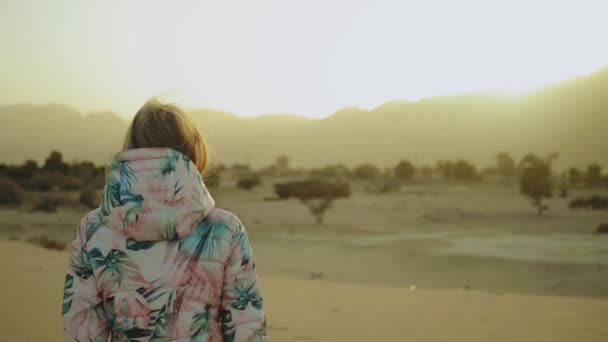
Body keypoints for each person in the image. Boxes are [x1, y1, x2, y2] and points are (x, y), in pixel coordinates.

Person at [61, 99, 267, 341]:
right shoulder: (225, 229)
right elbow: (247, 327)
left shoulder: (93, 229)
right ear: (193, 151)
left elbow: (82, 330)